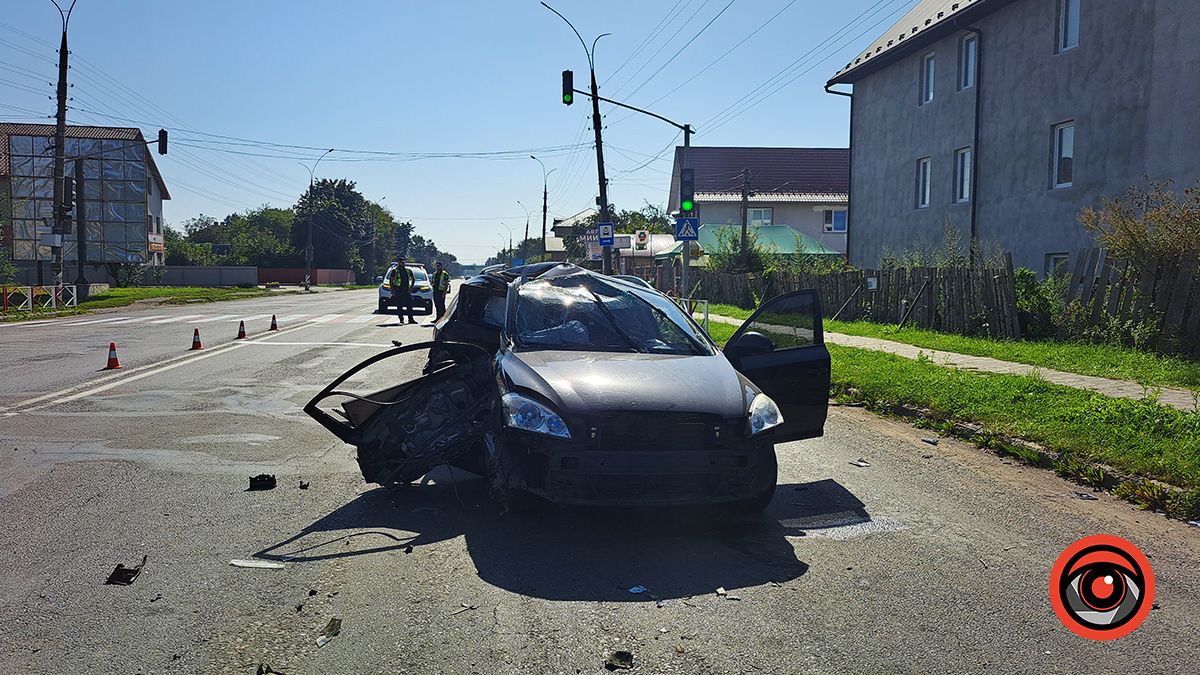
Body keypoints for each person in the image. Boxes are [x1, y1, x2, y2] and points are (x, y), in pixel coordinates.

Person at [393, 257, 417, 324]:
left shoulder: (408, 270)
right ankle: (401, 319)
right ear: (398, 262)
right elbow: (391, 280)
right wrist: (393, 289)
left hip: (406, 290)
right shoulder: (395, 271)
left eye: (403, 262)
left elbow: (413, 279)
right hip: (398, 290)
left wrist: (411, 288)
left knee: (409, 306)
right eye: (401, 262)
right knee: (399, 306)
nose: (402, 263)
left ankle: (411, 319)